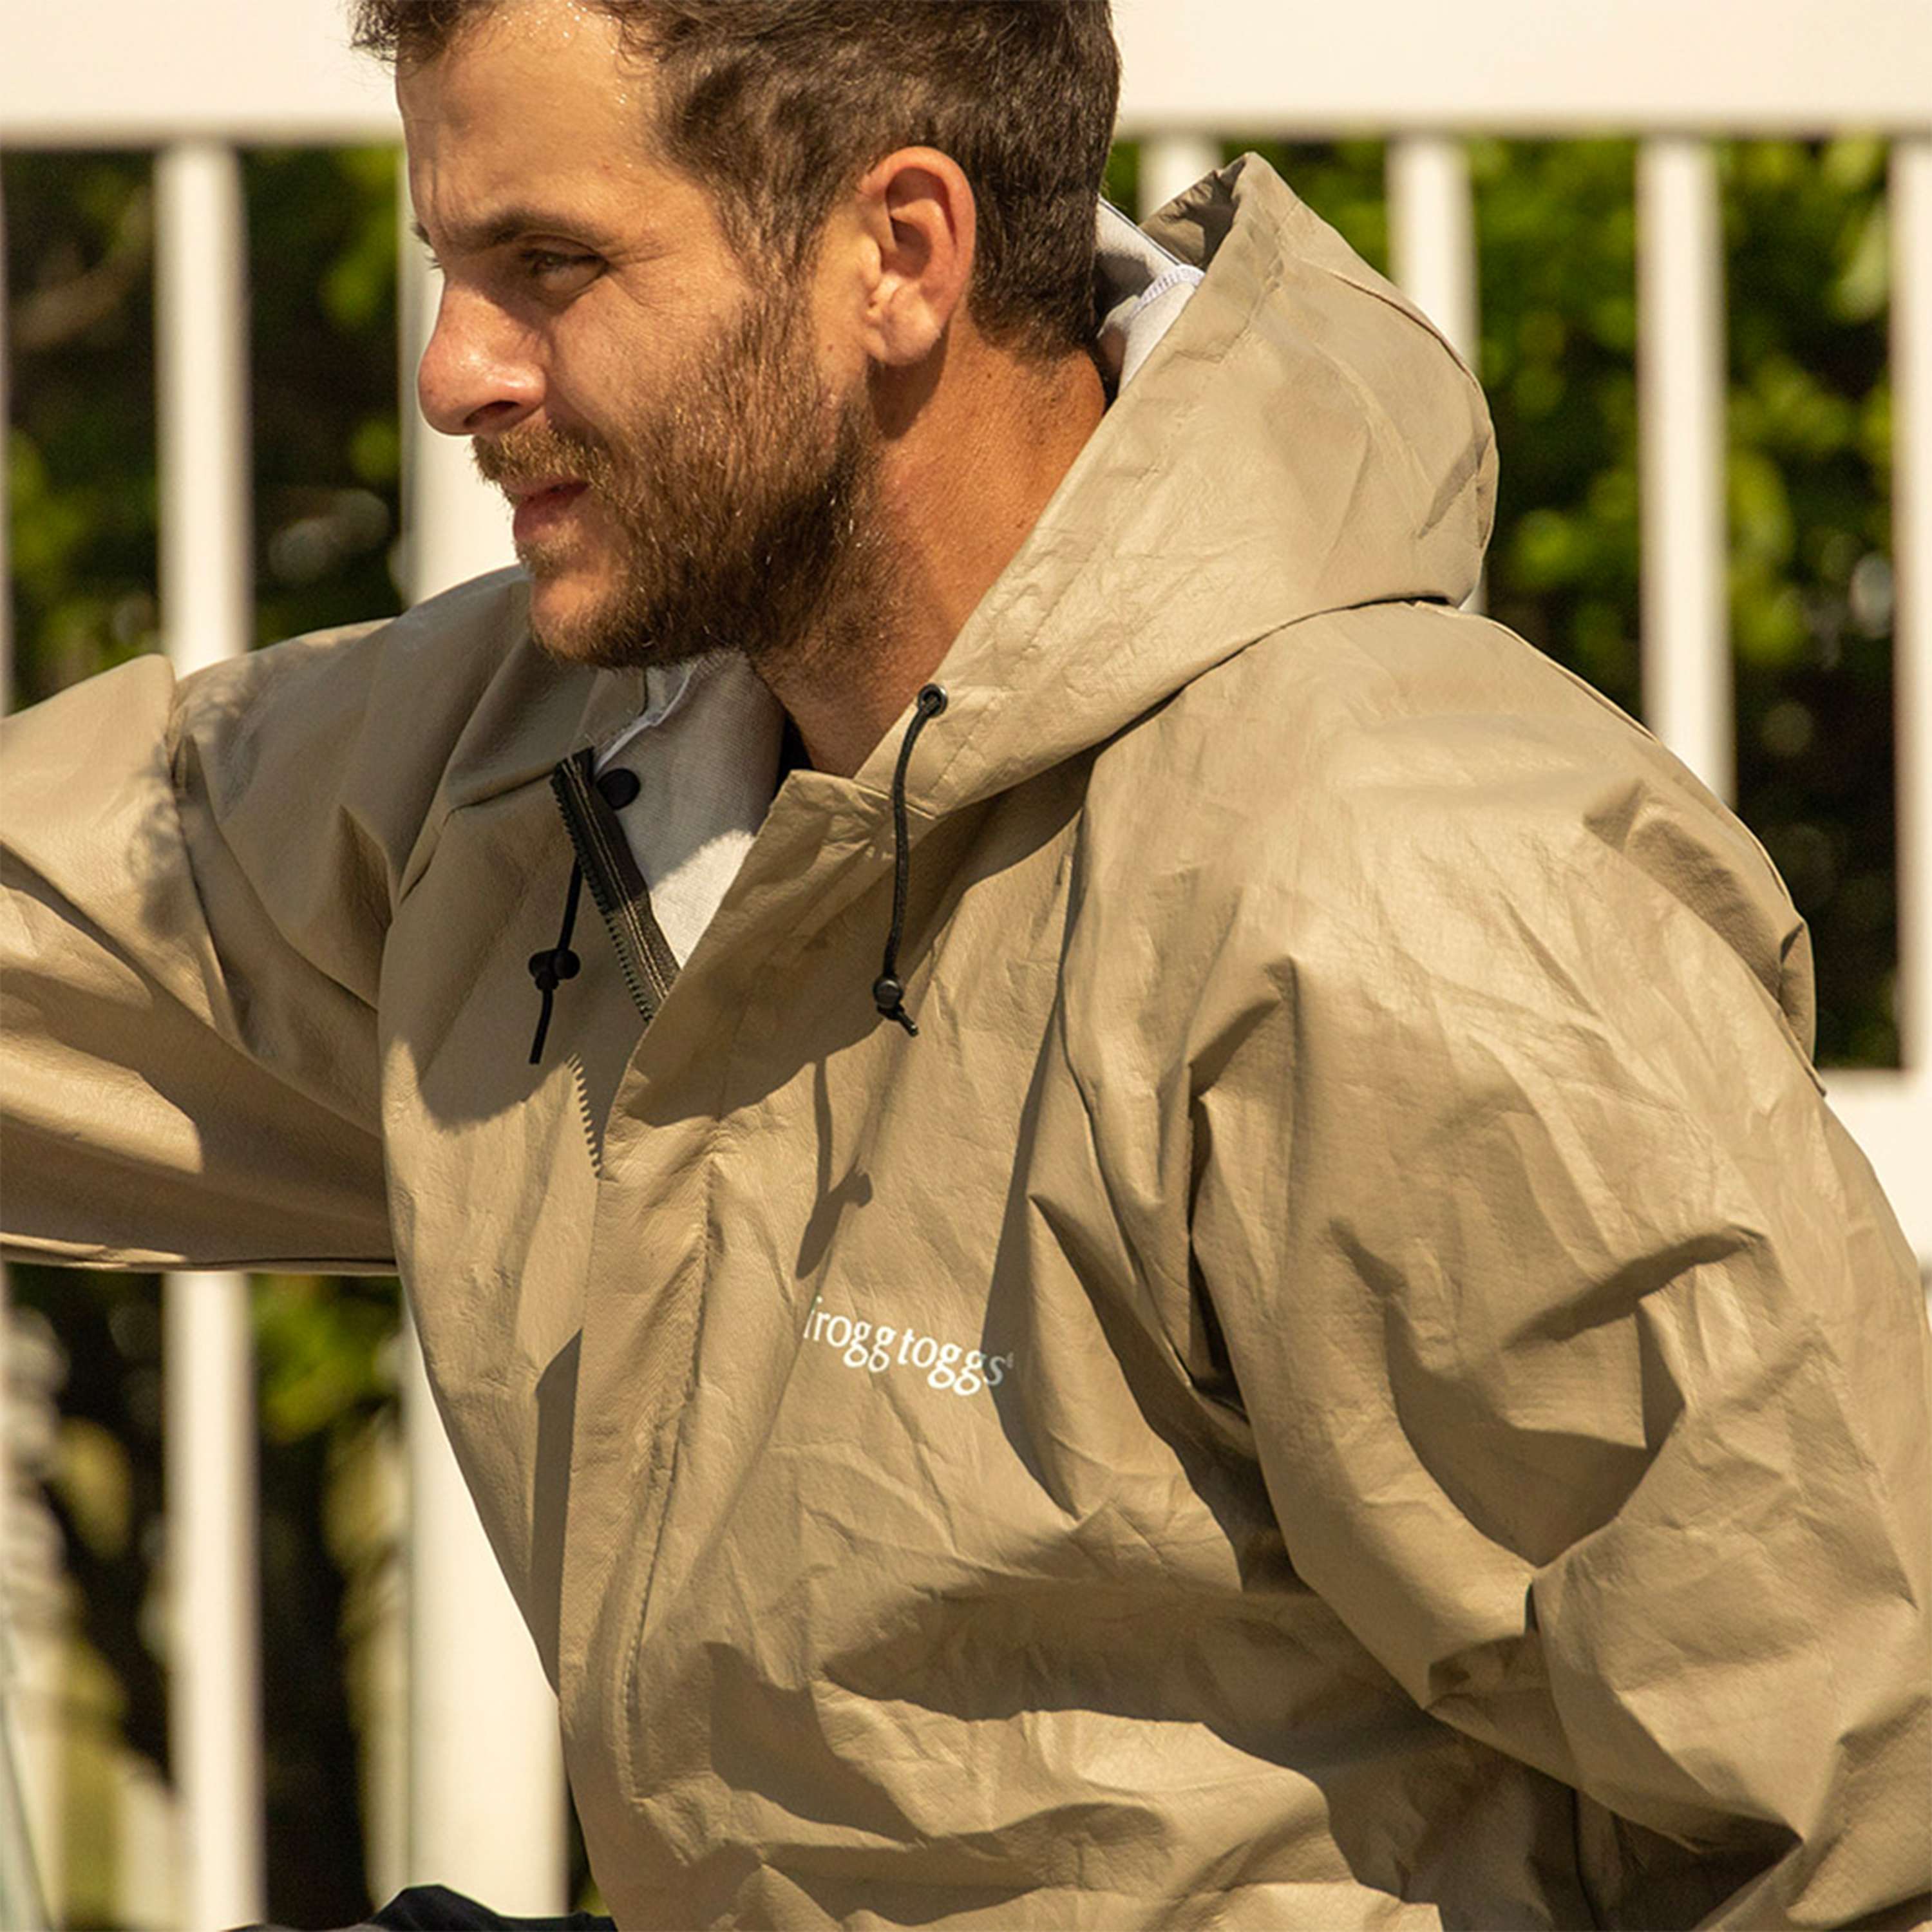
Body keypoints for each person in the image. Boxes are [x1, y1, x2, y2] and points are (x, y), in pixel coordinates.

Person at [4, 1, 1928, 1925]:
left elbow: (1874, 1802)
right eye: (452, 264)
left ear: (899, 255)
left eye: (552, 266)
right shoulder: (521, 771)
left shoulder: (1404, 897)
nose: (453, 374)